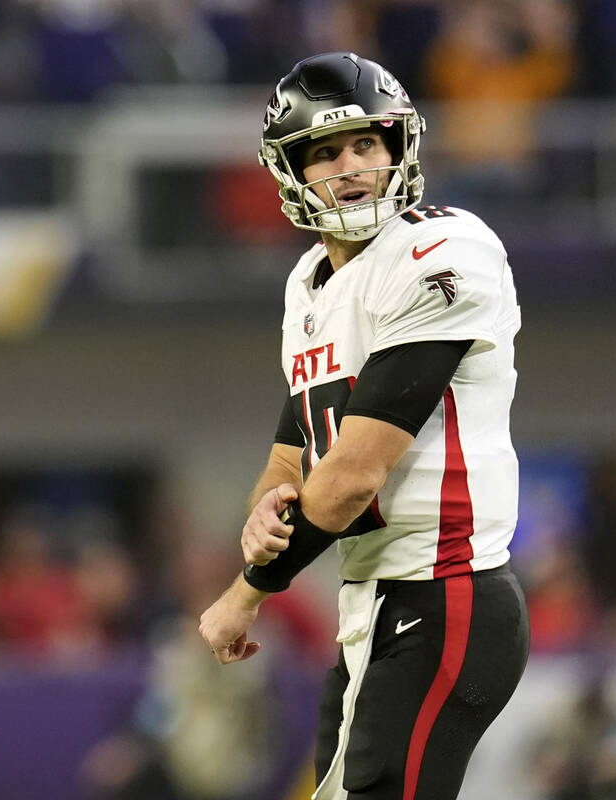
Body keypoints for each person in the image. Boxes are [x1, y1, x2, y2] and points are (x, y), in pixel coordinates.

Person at [198, 52, 531, 800]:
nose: (350, 166)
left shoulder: (441, 250)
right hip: (374, 599)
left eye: (365, 145)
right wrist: (263, 513)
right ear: (292, 171)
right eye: (324, 152)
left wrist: (246, 592)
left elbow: (350, 477)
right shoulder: (310, 281)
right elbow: (297, 447)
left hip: (446, 589)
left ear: (397, 149)